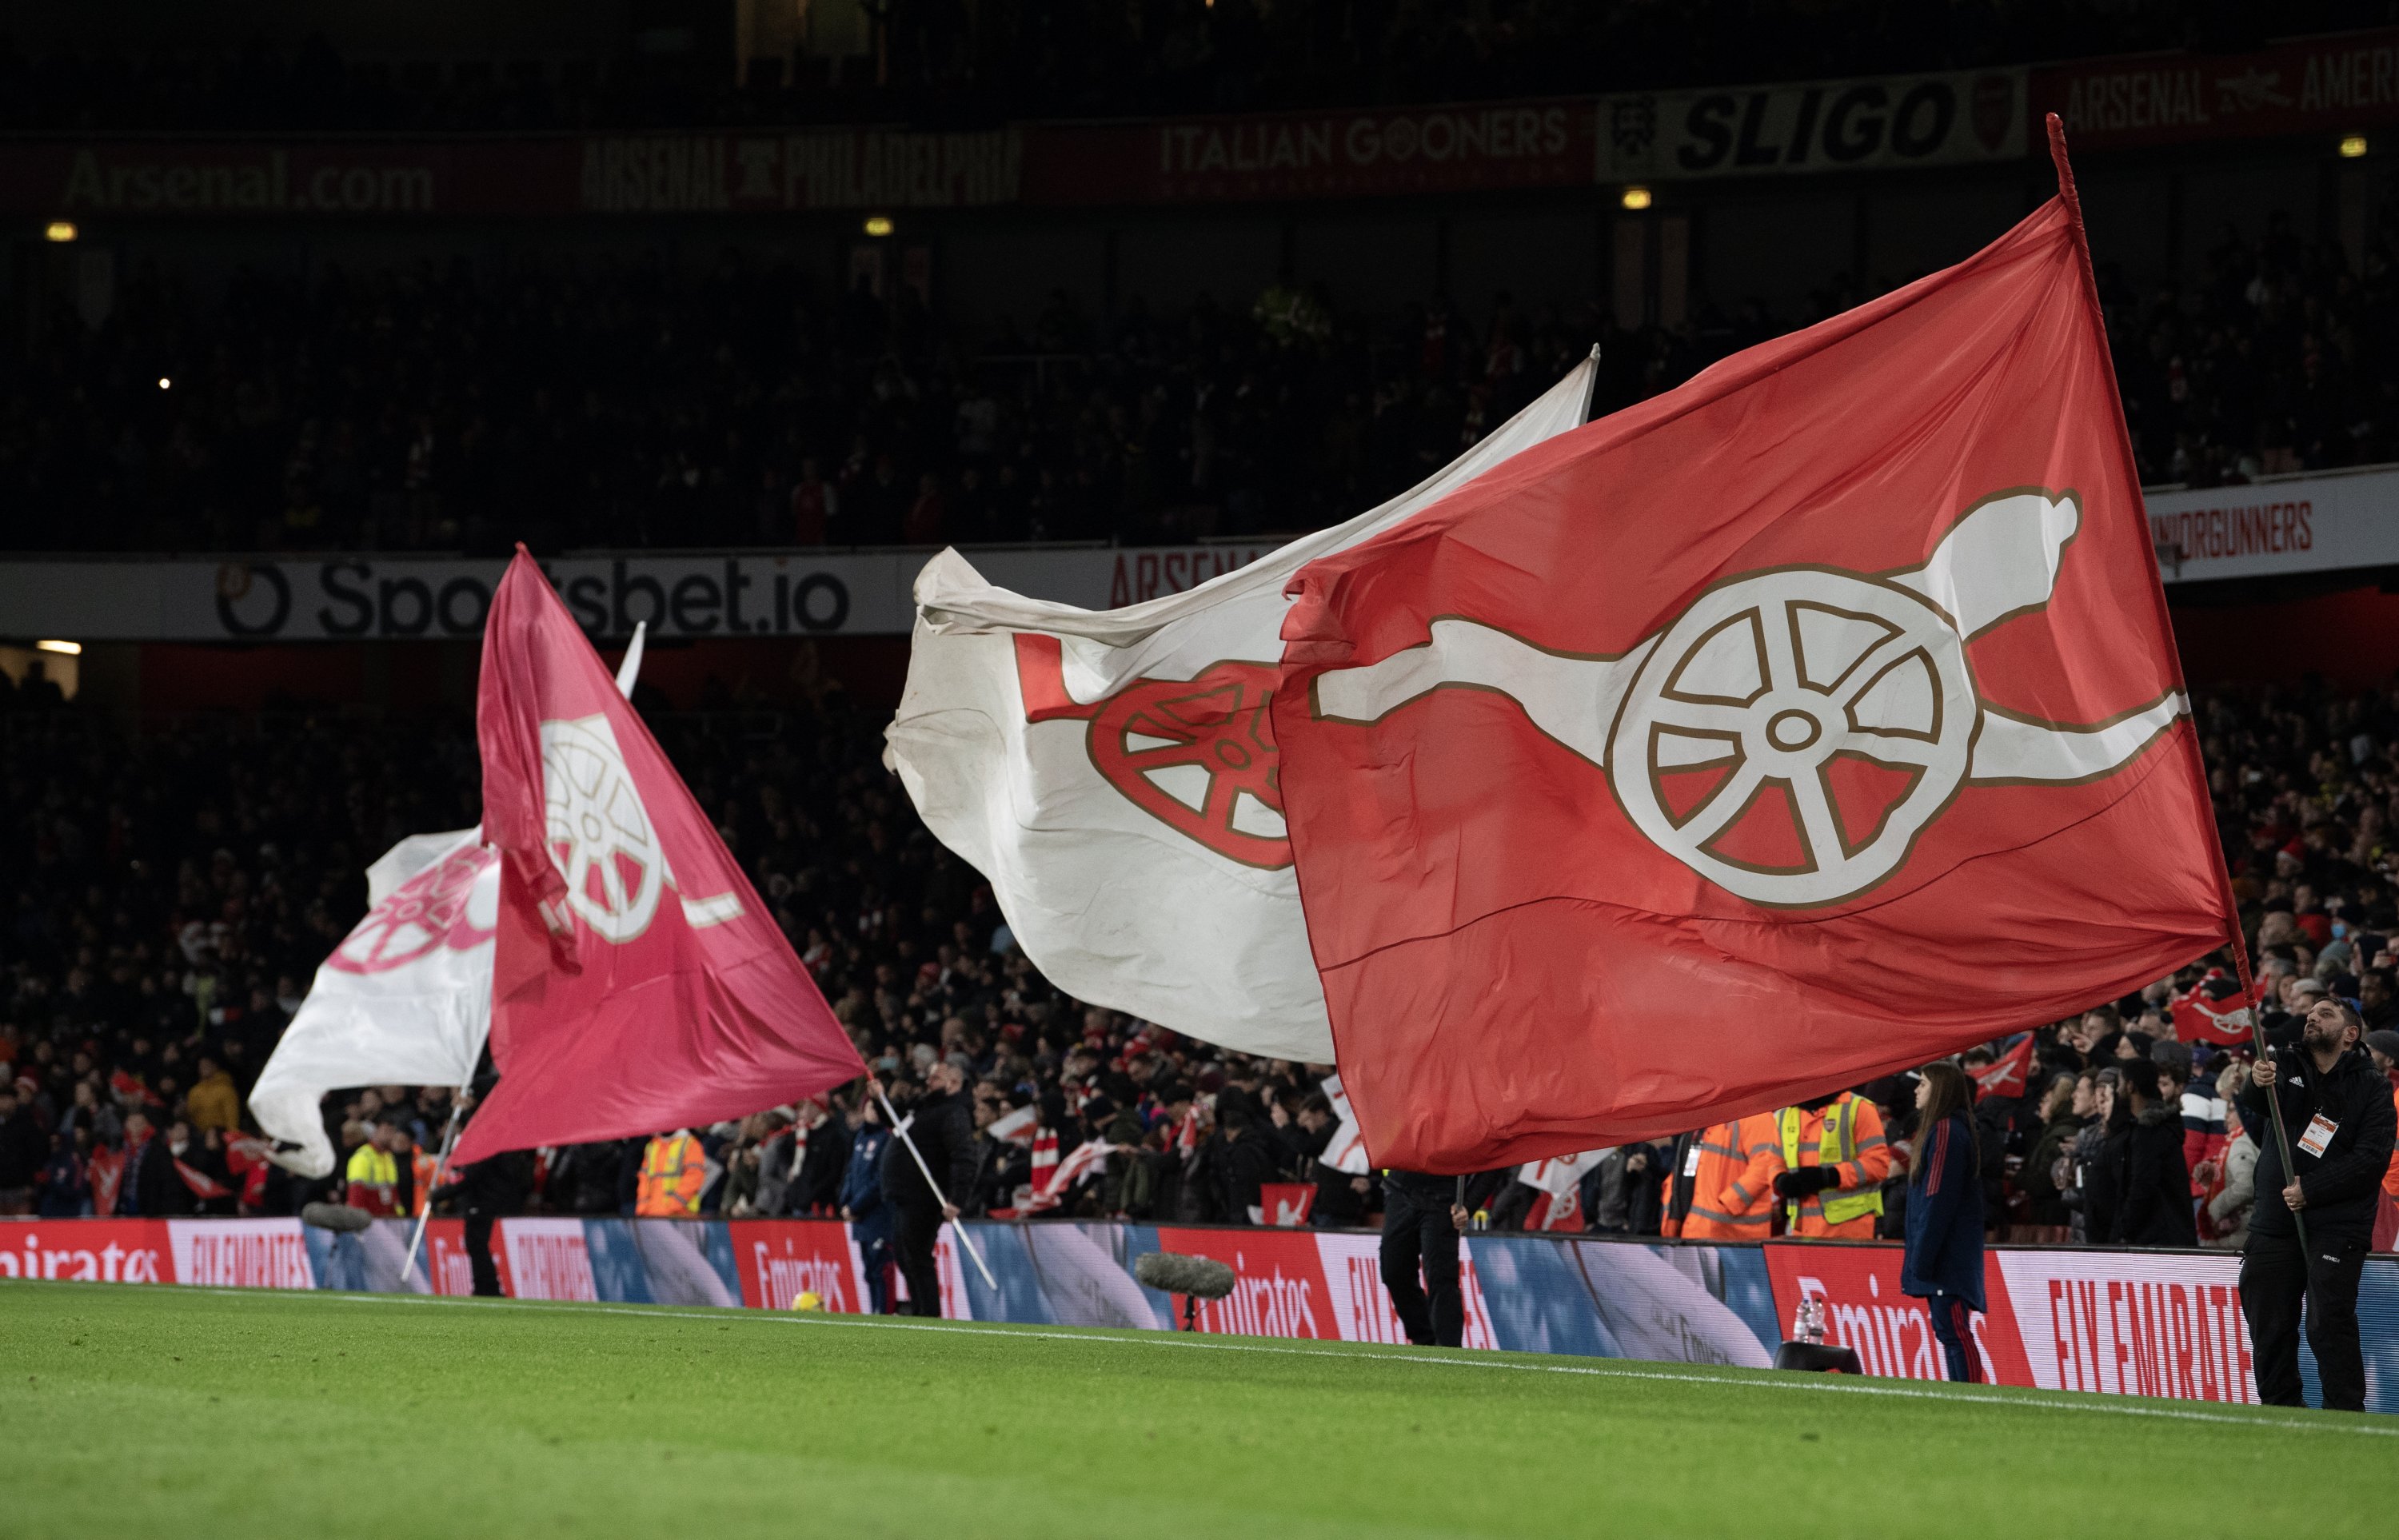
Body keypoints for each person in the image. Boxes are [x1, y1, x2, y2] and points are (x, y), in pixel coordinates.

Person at [2237, 996, 2399, 1411]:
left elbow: (2371, 1159)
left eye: (2325, 1013)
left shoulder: (2373, 1087)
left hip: (2337, 1223)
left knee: (2328, 1322)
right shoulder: (2284, 1064)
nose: (2311, 1017)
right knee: (2268, 1322)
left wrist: (2313, 1188)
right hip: (2275, 1221)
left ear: (2350, 1033)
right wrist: (2255, 1081)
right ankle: (2280, 1410)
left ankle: (2345, 1416)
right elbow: (2253, 1105)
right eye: (2310, 1013)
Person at [1901, 1060, 1985, 1383]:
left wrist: (1922, 1258)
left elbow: (1937, 1200)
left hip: (1946, 1257)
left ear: (1940, 1090)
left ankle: (1973, 1398)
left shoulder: (1947, 1131)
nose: (1916, 1090)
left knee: (1954, 1330)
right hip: (1944, 1255)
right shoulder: (1944, 1130)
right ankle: (1965, 1395)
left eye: (1923, 1083)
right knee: (1948, 1330)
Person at [881, 1063, 976, 1318]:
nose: (928, 1082)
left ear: (953, 1084)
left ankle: (929, 1315)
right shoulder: (923, 1109)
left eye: (935, 1078)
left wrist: (957, 1199)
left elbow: (963, 1156)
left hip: (924, 1197)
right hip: (907, 1196)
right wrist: (883, 1097)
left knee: (918, 1257)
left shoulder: (953, 1113)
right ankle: (922, 1311)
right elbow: (889, 1117)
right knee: (905, 1256)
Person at [1772, 1088, 1890, 1239]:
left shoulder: (1859, 1108)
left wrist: (1831, 1176)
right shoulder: (1784, 1115)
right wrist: (1779, 1178)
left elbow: (1878, 1164)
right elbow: (1773, 1159)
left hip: (1849, 1230)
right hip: (1801, 1230)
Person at [1378, 1170, 1477, 1348]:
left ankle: (1449, 1352)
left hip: (1444, 1200)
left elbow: (1495, 1166)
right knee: (1393, 1271)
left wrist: (1469, 1204)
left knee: (1441, 1278)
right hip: (1401, 1190)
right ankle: (1425, 1340)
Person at [2107, 1059, 2197, 1247]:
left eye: (2120, 1083)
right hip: (2166, 1237)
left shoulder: (2149, 1133)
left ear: (2131, 1086)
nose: (2117, 1090)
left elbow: (2143, 1185)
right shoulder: (2159, 1128)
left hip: (2160, 1242)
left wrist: (2124, 1230)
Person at [1659, 1113, 1782, 1240]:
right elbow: (1687, 1168)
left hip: (1731, 1238)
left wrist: (1728, 1203)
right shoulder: (1704, 1117)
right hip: (1692, 1231)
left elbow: (1766, 1165)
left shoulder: (1755, 1115)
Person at [839, 1099, 896, 1313]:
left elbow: (879, 1181)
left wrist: (855, 1207)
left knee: (881, 1268)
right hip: (860, 1218)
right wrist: (845, 1202)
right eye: (869, 1107)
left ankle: (884, 1314)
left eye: (876, 1108)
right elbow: (852, 1173)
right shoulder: (861, 1136)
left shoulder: (887, 1138)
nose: (872, 1112)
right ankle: (874, 1313)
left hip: (878, 1216)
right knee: (869, 1270)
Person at [635, 1127, 708, 1218]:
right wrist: (642, 1208)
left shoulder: (690, 1144)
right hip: (651, 1214)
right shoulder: (653, 1145)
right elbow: (644, 1179)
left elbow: (693, 1178)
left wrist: (672, 1207)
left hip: (681, 1215)